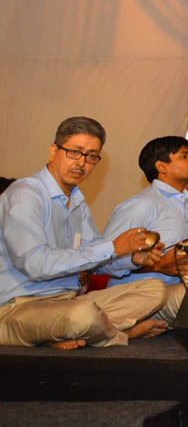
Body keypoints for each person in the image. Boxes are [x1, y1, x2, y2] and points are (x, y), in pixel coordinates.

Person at [0, 117, 166, 348]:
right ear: (53, 151)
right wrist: (113, 247)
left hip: (67, 302)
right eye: (74, 152)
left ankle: (68, 333)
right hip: (18, 306)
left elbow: (94, 259)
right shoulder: (25, 195)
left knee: (154, 290)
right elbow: (34, 265)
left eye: (91, 156)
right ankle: (122, 335)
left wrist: (132, 258)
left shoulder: (77, 202)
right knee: (83, 315)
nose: (81, 163)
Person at [102, 136, 188, 324]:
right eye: (184, 156)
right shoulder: (140, 205)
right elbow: (102, 261)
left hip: (174, 292)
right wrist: (156, 265)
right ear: (162, 167)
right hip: (137, 297)